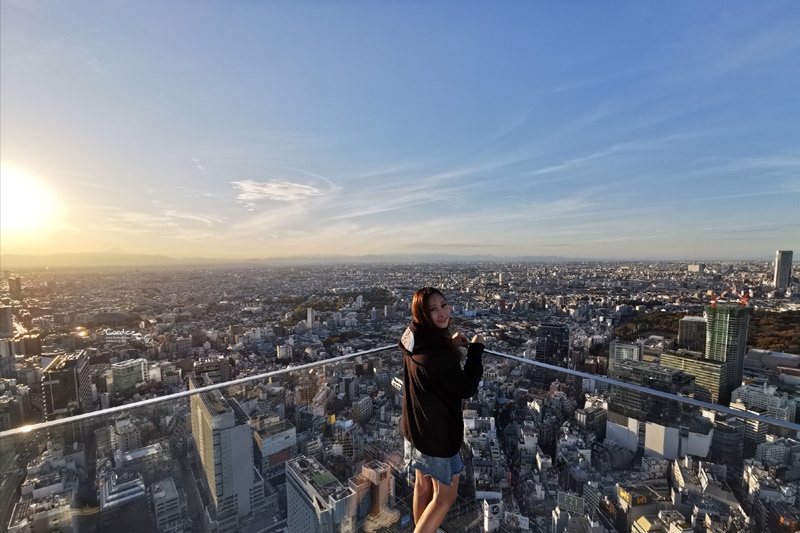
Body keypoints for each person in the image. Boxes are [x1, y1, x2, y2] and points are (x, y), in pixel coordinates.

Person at [399, 287, 485, 533]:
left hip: (414, 428)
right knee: (445, 496)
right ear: (422, 314)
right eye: (432, 310)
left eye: (443, 305)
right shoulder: (437, 355)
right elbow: (465, 387)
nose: (441, 313)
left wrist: (448, 341)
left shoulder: (413, 337)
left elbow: (430, 366)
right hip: (436, 435)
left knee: (423, 487)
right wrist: (476, 350)